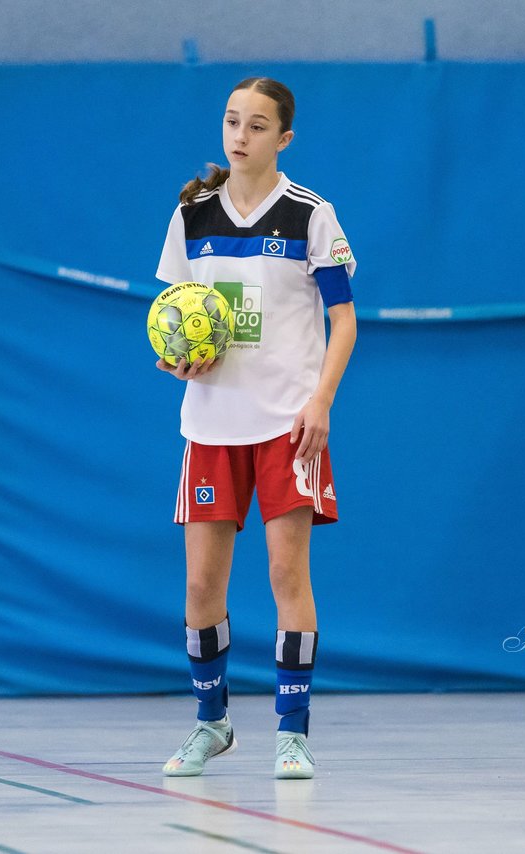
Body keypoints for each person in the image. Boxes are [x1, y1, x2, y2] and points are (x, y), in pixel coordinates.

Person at [153, 77, 356, 780]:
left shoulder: (310, 215)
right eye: (233, 121)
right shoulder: (191, 215)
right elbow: (176, 310)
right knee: (201, 588)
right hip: (211, 428)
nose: (241, 136)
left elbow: (345, 320)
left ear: (284, 138)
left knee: (283, 574)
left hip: (284, 426)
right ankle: (212, 724)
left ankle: (292, 733)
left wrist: (320, 402)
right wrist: (177, 357)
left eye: (258, 125)